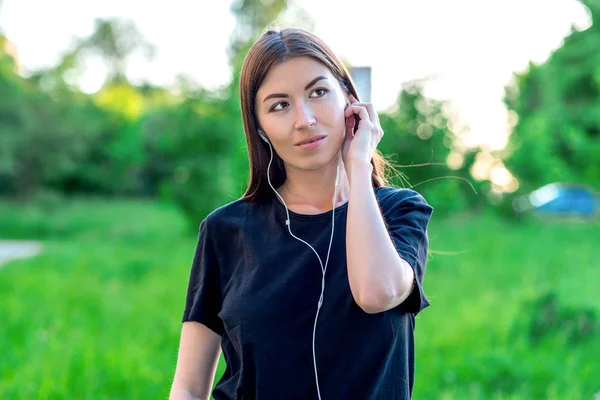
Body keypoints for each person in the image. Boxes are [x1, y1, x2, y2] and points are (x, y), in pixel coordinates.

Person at [169, 27, 433, 400]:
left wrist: (358, 166)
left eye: (318, 92)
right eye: (280, 105)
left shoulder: (400, 211)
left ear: (349, 97)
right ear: (259, 127)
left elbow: (376, 293)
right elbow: (189, 387)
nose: (304, 119)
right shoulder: (226, 231)